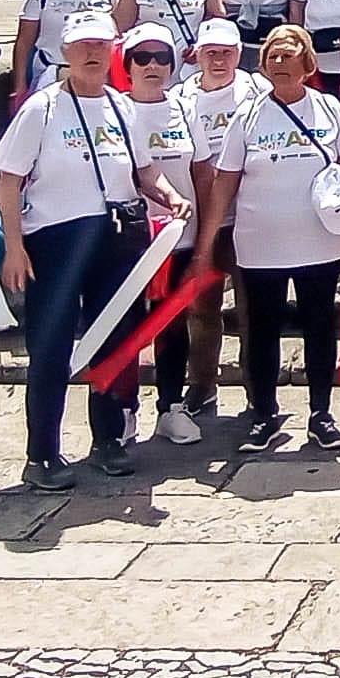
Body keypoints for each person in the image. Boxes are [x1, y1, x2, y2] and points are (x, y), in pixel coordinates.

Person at [0, 9, 191, 490]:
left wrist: (169, 195)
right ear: (65, 51)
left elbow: (143, 171)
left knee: (114, 340)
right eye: (83, 45)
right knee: (51, 345)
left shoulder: (121, 106)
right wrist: (14, 247)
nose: (92, 53)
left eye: (101, 45)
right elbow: (9, 181)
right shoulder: (42, 109)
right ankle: (42, 454)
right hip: (56, 239)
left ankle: (107, 439)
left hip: (115, 238)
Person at [194, 25, 340, 452]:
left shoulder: (330, 109)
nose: (279, 62)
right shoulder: (247, 116)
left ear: (307, 63)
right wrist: (205, 244)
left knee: (319, 328)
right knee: (261, 332)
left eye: (288, 55)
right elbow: (224, 182)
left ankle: (321, 414)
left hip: (319, 243)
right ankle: (264, 415)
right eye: (272, 55)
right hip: (260, 245)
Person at [116, 23, 201, 444]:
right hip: (128, 240)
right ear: (128, 64)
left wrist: (204, 235)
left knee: (172, 322)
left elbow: (203, 170)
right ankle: (124, 408)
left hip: (179, 237)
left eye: (162, 57)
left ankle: (171, 405)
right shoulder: (115, 109)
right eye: (143, 58)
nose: (153, 65)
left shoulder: (185, 108)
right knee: (127, 324)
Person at [177, 19, 266, 419]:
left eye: (227, 52)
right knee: (201, 308)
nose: (218, 60)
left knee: (252, 309)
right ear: (197, 55)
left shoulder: (255, 91)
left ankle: (256, 389)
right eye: (211, 52)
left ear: (238, 54)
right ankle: (201, 385)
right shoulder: (181, 98)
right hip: (201, 220)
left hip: (247, 216)